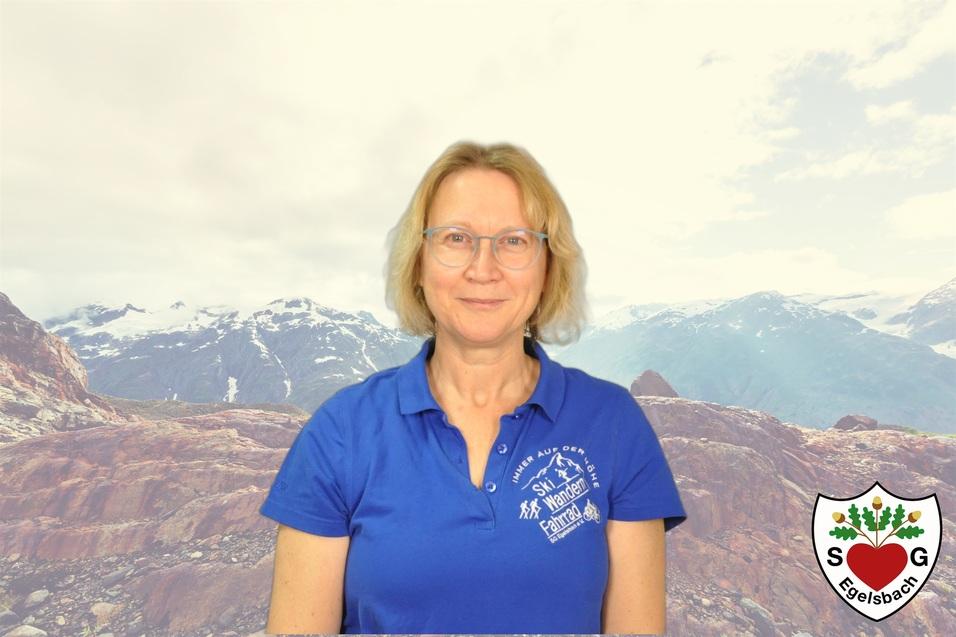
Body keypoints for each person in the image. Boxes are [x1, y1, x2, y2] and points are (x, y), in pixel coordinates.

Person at [259, 141, 687, 634]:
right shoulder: (341, 433)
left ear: (549, 268)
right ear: (419, 262)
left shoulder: (612, 423)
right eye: (456, 238)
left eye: (514, 241)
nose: (483, 269)